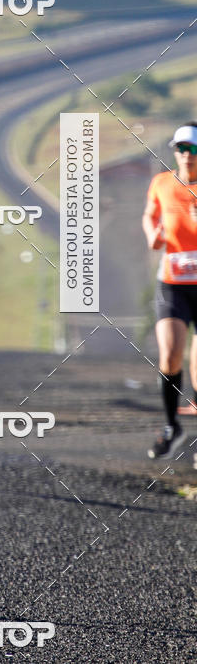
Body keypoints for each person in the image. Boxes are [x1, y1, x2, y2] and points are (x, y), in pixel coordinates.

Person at [143, 121, 197, 458]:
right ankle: (171, 426)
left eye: (193, 149)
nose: (187, 155)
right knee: (170, 355)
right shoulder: (162, 183)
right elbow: (150, 214)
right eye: (181, 148)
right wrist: (153, 233)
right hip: (174, 285)